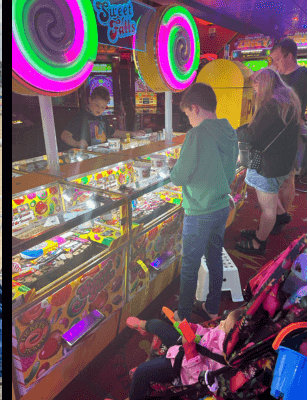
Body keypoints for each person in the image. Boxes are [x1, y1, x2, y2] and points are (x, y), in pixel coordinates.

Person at [168, 83, 238, 322]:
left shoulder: (197, 134)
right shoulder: (229, 129)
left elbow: (178, 177)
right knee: (215, 255)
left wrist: (172, 168)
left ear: (195, 108)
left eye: (188, 115)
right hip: (221, 205)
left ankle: (184, 313)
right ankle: (212, 307)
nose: (189, 120)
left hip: (199, 209)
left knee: (190, 264)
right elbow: (224, 169)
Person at [236, 68, 301, 255]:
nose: (254, 88)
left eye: (256, 83)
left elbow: (253, 134)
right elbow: (259, 129)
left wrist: (231, 132)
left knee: (267, 208)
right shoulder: (287, 101)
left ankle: (259, 243)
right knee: (271, 196)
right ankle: (281, 217)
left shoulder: (271, 105)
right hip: (282, 163)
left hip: (269, 165)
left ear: (264, 83)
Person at [117, 309, 244, 400]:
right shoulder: (221, 333)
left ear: (230, 338)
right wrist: (193, 328)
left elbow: (197, 374)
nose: (221, 323)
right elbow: (207, 332)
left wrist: (189, 348)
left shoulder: (222, 360)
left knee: (141, 371)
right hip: (186, 347)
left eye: (224, 324)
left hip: (181, 367)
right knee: (159, 325)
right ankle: (142, 326)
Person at [269, 38, 307, 234]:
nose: (274, 64)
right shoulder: (277, 78)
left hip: (291, 134)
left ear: (289, 56)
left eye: (277, 59)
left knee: (287, 178)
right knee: (267, 176)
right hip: (273, 132)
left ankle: (279, 219)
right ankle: (278, 213)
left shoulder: (303, 75)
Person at [60, 86, 146, 149]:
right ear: (90, 100)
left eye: (103, 107)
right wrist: (77, 143)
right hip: (87, 157)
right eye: (97, 105)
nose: (99, 109)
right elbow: (64, 135)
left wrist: (133, 134)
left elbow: (113, 132)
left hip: (102, 155)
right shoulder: (81, 116)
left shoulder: (102, 118)